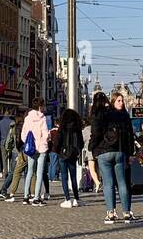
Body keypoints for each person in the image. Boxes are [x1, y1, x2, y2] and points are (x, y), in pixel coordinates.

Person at [92, 91, 137, 222]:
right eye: (119, 100)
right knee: (122, 183)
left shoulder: (103, 114)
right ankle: (126, 212)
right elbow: (130, 136)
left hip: (104, 152)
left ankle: (111, 213)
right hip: (120, 151)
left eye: (122, 100)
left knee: (108, 184)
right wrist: (130, 153)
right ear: (112, 101)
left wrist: (94, 149)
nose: (122, 103)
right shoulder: (124, 116)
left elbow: (96, 133)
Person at [20, 99, 50, 205]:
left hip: (31, 148)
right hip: (41, 148)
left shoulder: (28, 118)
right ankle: (36, 198)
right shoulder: (42, 118)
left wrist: (28, 143)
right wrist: (44, 140)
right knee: (39, 173)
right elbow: (45, 133)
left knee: (29, 171)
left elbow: (23, 134)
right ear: (40, 106)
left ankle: (25, 197)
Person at [56, 107, 84, 207]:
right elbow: (81, 143)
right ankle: (76, 198)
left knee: (64, 177)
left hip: (62, 154)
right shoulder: (77, 128)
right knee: (73, 177)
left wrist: (58, 151)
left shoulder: (62, 128)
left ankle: (67, 199)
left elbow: (57, 141)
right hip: (72, 154)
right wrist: (77, 151)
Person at [0, 111, 14, 183]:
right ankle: (11, 172)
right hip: (11, 143)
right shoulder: (12, 122)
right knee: (11, 158)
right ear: (9, 115)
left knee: (4, 158)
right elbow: (14, 133)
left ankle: (5, 173)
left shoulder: (0, 123)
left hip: (3, 142)